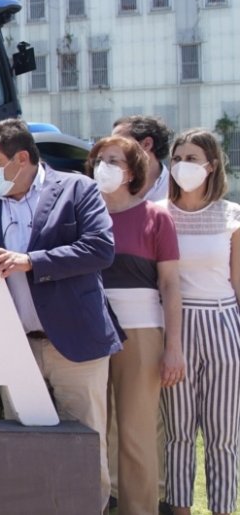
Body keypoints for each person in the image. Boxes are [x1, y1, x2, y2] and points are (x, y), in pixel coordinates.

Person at [0, 118, 120, 510]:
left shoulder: (77, 189)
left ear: (22, 158)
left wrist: (31, 261)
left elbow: (100, 249)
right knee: (24, 447)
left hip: (75, 344)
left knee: (85, 447)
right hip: (15, 350)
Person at [87, 135, 186, 515]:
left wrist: (172, 346)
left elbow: (170, 283)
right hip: (90, 331)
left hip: (141, 334)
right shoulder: (82, 213)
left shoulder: (155, 217)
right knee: (90, 430)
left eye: (113, 160)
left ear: (132, 170)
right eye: (99, 159)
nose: (103, 167)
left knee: (135, 434)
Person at [160, 128, 240, 515]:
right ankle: (179, 509)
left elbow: (238, 280)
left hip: (224, 323)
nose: (182, 166)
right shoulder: (159, 214)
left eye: (191, 159)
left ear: (211, 165)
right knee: (178, 432)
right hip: (176, 328)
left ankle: (223, 509)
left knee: (224, 434)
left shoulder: (232, 215)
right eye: (176, 158)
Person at [114, 115, 173, 203]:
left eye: (119, 143)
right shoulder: (111, 185)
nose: (112, 149)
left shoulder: (176, 187)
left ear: (147, 144)